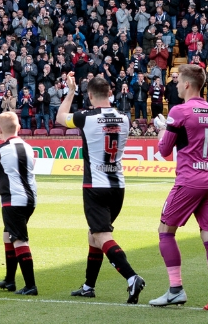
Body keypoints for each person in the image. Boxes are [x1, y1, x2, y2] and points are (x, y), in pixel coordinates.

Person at [56, 73, 147, 303]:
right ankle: (89, 286)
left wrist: (70, 91)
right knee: (93, 235)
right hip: (118, 186)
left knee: (101, 235)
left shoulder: (85, 117)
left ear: (89, 95)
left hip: (95, 184)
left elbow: (60, 118)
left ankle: (131, 277)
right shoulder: (124, 118)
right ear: (110, 93)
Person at [150, 64, 208, 311]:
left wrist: (162, 130)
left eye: (177, 81)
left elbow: (163, 151)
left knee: (165, 230)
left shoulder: (179, 110)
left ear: (187, 84)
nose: (175, 85)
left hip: (189, 180)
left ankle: (175, 289)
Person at [0, 112, 38, 295]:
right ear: (19, 128)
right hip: (30, 199)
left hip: (13, 200)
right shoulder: (29, 147)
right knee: (8, 235)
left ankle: (30, 285)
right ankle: (9, 280)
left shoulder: (0, 150)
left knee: (19, 240)